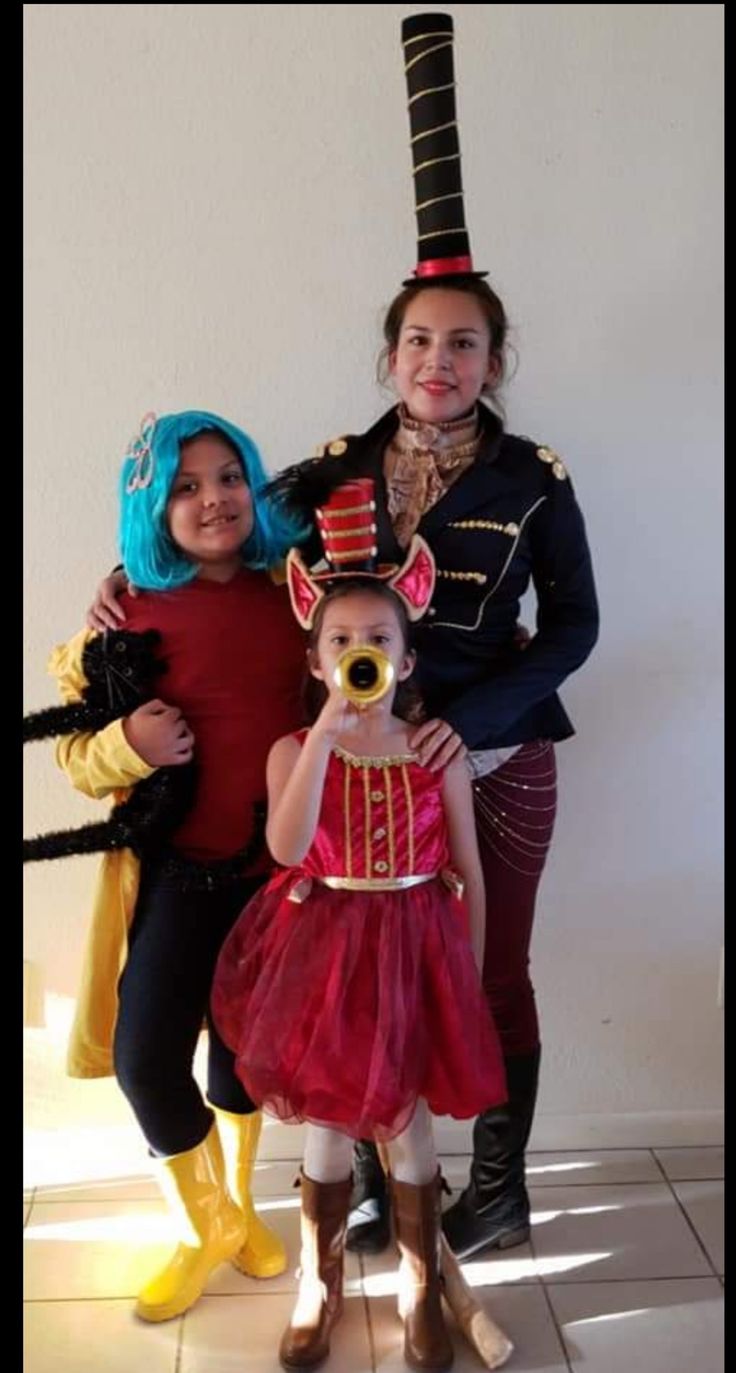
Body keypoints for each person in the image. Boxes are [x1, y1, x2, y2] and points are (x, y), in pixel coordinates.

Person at [85, 9, 599, 1266]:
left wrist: (460, 728)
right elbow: (208, 544)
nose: (439, 358)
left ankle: (496, 1183)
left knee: (484, 966)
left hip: (493, 759)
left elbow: (576, 626)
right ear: (391, 354)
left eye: (464, 340)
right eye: (419, 340)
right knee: (359, 966)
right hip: (349, 759)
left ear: (493, 357)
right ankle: (373, 1169)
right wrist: (121, 581)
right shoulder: (326, 473)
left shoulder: (536, 478)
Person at [211, 488, 507, 1371]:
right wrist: (328, 737)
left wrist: (472, 977)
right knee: (329, 1125)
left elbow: (471, 870)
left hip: (416, 956)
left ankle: (419, 1284)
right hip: (323, 959)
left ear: (408, 660)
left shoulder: (432, 752)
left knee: (411, 1122)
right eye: (341, 642)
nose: (361, 653)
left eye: (379, 641)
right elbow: (286, 844)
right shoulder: (295, 750)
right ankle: (321, 1280)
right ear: (315, 659)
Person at [43, 409, 309, 1322]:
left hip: (274, 879)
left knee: (243, 1057)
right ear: (152, 504)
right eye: (185, 485)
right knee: (147, 1056)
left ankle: (235, 1207)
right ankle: (208, 1229)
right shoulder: (125, 620)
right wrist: (128, 739)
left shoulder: (295, 593)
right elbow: (74, 760)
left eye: (229, 476)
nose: (212, 499)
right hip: (172, 874)